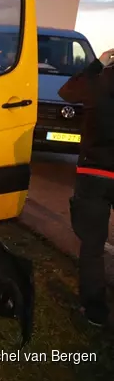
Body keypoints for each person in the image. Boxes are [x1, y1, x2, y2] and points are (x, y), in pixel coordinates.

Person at [58, 47, 114, 327]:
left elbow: (66, 92)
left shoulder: (98, 80)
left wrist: (96, 65)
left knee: (92, 246)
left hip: (94, 173)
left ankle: (95, 310)